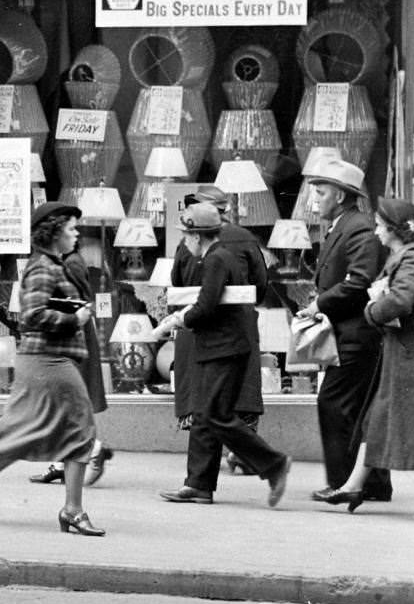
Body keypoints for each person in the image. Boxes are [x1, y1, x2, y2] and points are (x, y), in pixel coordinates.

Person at [0, 202, 106, 536]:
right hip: (49, 361)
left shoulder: (50, 265)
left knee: (29, 430)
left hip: (45, 360)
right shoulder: (44, 268)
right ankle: (73, 510)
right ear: (53, 231)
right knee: (81, 430)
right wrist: (73, 318)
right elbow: (33, 316)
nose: (76, 234)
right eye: (71, 228)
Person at [315, 197, 414, 517]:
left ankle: (354, 485)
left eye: (379, 226)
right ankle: (353, 485)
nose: (375, 232)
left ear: (393, 229)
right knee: (376, 418)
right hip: (407, 351)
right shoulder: (408, 254)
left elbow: (400, 301)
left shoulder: (412, 259)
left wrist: (372, 311)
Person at [154, 202, 292, 507]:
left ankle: (273, 464)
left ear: (198, 236)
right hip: (218, 346)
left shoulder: (216, 259)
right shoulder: (217, 257)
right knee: (205, 413)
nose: (184, 241)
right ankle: (199, 485)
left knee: (215, 415)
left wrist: (176, 320)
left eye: (187, 235)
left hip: (224, 348)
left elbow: (207, 305)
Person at [295, 158, 393, 503]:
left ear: (339, 195)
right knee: (360, 409)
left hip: (356, 335)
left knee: (335, 403)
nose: (314, 200)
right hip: (351, 334)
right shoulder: (346, 226)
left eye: (320, 192)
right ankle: (374, 484)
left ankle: (344, 483)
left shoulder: (358, 229)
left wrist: (319, 304)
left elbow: (358, 281)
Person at [170, 186, 267, 475]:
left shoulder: (203, 249)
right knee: (229, 401)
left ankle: (266, 461)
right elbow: (260, 286)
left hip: (199, 326)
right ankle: (241, 459)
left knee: (206, 405)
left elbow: (177, 280)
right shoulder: (245, 239)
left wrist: (177, 320)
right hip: (238, 327)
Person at [27, 240, 114, 486]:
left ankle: (91, 450)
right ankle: (66, 460)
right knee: (65, 404)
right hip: (69, 336)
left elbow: (74, 302)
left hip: (71, 338)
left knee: (66, 402)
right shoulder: (64, 261)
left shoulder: (71, 262)